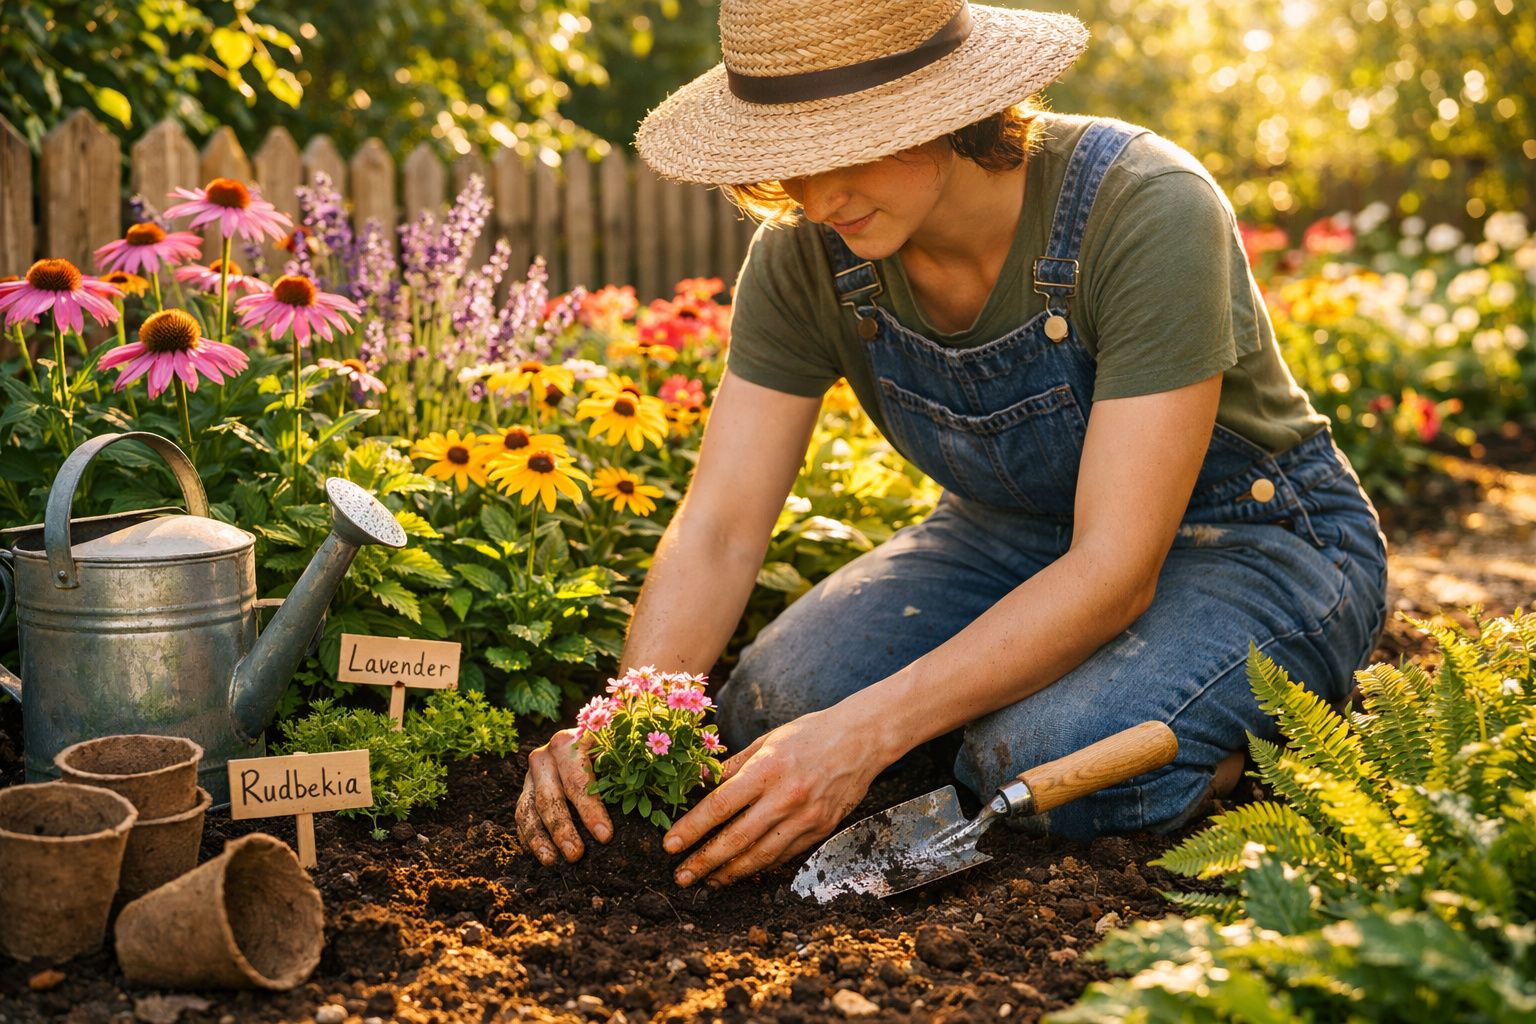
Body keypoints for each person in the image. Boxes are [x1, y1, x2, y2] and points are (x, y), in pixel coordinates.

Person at [514, 0, 1389, 889]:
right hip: (1000, 536)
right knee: (769, 704)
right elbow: (721, 527)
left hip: (1251, 539)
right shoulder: (807, 255)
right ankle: (1012, 704)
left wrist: (867, 734)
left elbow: (1115, 568)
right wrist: (625, 718)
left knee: (1044, 762)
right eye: (787, 158)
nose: (819, 199)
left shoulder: (1144, 208)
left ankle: (1255, 732)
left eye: (846, 145)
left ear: (946, 104)